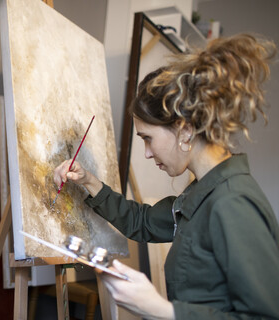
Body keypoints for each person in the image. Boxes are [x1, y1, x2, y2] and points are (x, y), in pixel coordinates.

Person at [54, 33, 279, 319]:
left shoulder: (232, 203)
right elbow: (143, 222)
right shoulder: (201, 194)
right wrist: (89, 182)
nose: (147, 153)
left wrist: (160, 310)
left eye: (148, 138)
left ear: (184, 130)